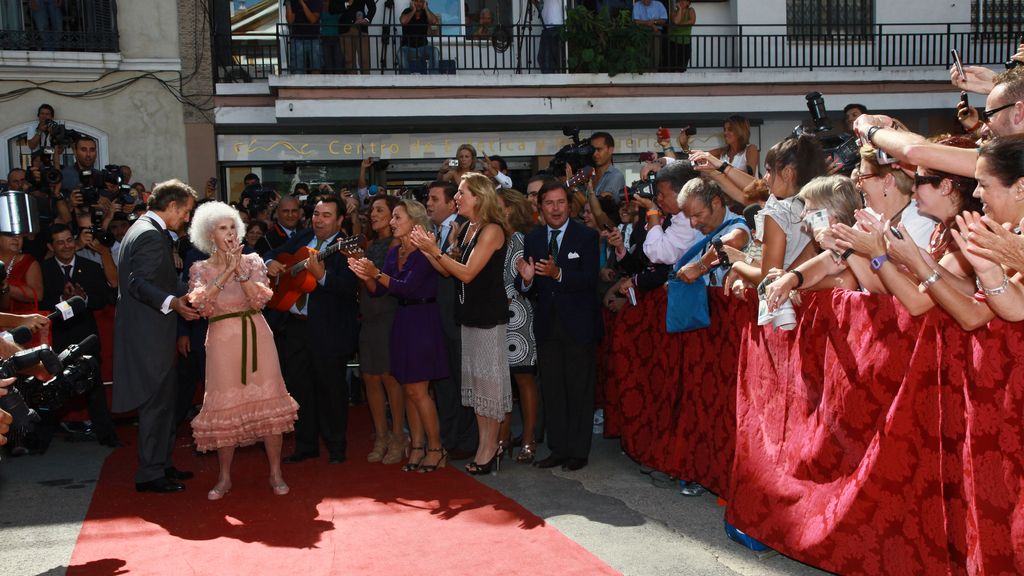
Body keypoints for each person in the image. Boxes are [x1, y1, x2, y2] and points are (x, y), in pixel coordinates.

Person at [185, 202, 299, 500]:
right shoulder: (201, 268)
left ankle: (275, 473)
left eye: (233, 227)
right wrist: (225, 274)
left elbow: (262, 300)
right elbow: (199, 304)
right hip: (222, 339)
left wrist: (241, 273)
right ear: (210, 235)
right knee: (224, 407)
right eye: (223, 228)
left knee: (268, 402)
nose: (230, 233)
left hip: (257, 333)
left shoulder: (253, 261)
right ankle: (224, 478)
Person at [411, 174, 511, 475]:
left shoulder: (492, 230)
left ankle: (491, 447)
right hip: (467, 316)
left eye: (461, 193)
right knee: (478, 388)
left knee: (489, 387)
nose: (457, 198)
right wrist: (430, 250)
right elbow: (447, 272)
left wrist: (435, 250)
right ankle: (485, 446)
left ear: (479, 197)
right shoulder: (469, 228)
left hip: (488, 317)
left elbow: (467, 273)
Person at [112, 179, 200, 494]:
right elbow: (139, 283)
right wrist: (173, 303)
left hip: (150, 333)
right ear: (172, 206)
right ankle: (150, 473)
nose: (188, 219)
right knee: (155, 404)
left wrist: (187, 292)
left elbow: (157, 280)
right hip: (149, 335)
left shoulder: (144, 230)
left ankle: (161, 464)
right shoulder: (149, 235)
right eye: (187, 212)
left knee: (163, 402)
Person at [350, 199, 449, 472]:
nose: (392, 222)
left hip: (423, 319)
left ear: (414, 222)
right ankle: (416, 446)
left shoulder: (425, 251)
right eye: (392, 217)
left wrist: (376, 273)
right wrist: (365, 274)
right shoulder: (396, 252)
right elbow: (381, 291)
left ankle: (436, 448)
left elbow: (407, 288)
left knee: (419, 390)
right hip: (402, 321)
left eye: (397, 217)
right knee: (408, 389)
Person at [265, 196, 358, 464]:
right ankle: (306, 445)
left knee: (331, 390)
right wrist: (269, 261)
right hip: (295, 327)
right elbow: (274, 253)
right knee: (298, 387)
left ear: (340, 220)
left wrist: (323, 277)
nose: (319, 220)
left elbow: (349, 288)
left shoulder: (348, 247)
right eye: (317, 214)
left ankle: (336, 447)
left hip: (329, 330)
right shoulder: (304, 235)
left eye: (326, 215)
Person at [515, 180, 600, 471]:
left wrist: (558, 272)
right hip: (547, 326)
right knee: (552, 390)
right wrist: (526, 279)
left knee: (579, 390)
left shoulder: (587, 236)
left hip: (579, 326)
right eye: (549, 203)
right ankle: (558, 449)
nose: (555, 208)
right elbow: (528, 284)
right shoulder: (534, 238)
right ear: (540, 207)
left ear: (570, 205)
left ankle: (578, 451)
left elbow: (590, 280)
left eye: (560, 202)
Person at [40, 224, 120, 448]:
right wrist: (63, 299)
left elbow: (103, 298)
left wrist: (81, 300)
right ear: (50, 246)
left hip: (86, 336)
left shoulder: (91, 266)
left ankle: (107, 435)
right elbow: (41, 300)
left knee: (94, 386)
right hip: (57, 336)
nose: (66, 246)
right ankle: (41, 438)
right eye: (60, 242)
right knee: (52, 386)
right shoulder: (44, 269)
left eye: (69, 240)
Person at [424, 180, 478, 459]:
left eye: (434, 199)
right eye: (428, 199)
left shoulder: (467, 228)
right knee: (444, 382)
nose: (429, 204)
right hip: (438, 319)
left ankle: (468, 442)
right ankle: (449, 436)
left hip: (460, 318)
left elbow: (453, 272)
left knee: (463, 381)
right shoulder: (434, 231)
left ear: (450, 203)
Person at [355, 195, 407, 464]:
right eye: (371, 210)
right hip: (368, 315)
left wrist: (363, 267)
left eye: (379, 210)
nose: (373, 214)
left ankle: (399, 436)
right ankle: (381, 436)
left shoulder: (396, 243)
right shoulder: (369, 243)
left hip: (390, 313)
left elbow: (387, 282)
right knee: (370, 378)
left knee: (389, 378)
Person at [497, 189, 540, 463]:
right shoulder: (497, 239)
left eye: (498, 206)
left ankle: (528, 439)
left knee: (524, 379)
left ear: (511, 209)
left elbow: (526, 280)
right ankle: (502, 438)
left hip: (520, 317)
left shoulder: (522, 239)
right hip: (499, 317)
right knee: (503, 382)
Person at [399, 0, 440, 73]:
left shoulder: (426, 12)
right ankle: (405, 79)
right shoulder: (407, 11)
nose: (418, 4)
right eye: (416, 1)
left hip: (423, 47)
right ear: (412, 2)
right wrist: (413, 10)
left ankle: (434, 76)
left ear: (424, 3)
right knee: (401, 52)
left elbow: (434, 21)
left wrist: (426, 8)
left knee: (435, 51)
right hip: (408, 47)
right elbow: (403, 21)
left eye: (420, 1)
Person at [286, 0, 323, 73]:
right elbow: (290, 20)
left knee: (316, 68)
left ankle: (316, 84)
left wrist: (302, 3)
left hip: (314, 38)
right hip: (297, 38)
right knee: (298, 70)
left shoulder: (316, 1)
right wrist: (288, 3)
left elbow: (312, 19)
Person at [632, 0, 667, 70]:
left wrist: (654, 21)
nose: (645, 1)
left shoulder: (659, 4)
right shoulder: (637, 5)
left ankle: (654, 71)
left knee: (656, 53)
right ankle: (644, 71)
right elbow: (636, 21)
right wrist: (648, 23)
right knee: (644, 52)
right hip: (642, 32)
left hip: (656, 31)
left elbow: (664, 19)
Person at [591, 132, 626, 201]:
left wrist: (574, 189)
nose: (594, 154)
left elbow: (600, 207)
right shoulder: (588, 175)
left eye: (599, 149)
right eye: (592, 150)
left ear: (610, 150)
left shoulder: (616, 176)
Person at [667, 0, 694, 71]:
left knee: (682, 67)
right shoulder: (674, 12)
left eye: (685, 1)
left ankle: (680, 81)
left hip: (686, 42)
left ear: (688, 3)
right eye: (680, 0)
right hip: (673, 42)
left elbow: (692, 21)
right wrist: (680, 9)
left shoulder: (690, 10)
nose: (682, 2)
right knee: (672, 65)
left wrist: (679, 25)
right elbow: (676, 21)